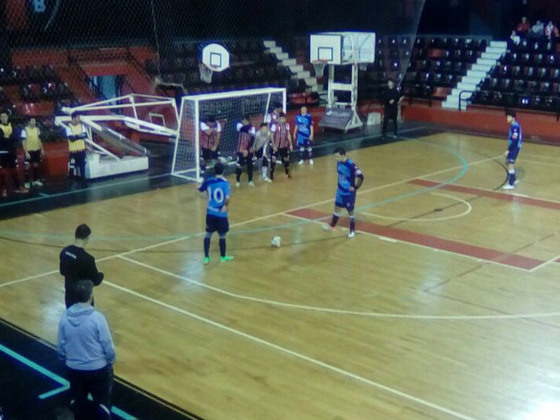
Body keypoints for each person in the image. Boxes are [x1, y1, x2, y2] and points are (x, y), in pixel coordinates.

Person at [57, 279, 115, 420]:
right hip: (97, 369)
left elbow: (60, 347)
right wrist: (110, 361)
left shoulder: (64, 317)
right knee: (102, 405)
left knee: (79, 405)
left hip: (74, 369)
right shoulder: (97, 318)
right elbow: (108, 346)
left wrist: (65, 360)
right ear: (90, 296)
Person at [60, 224, 104, 309]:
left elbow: (62, 271)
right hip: (83, 297)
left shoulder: (65, 251)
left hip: (69, 294)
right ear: (86, 238)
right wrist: (101, 275)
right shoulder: (88, 259)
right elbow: (95, 280)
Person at [323, 147, 364, 238]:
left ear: (343, 155)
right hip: (340, 191)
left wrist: (355, 187)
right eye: (335, 157)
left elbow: (361, 176)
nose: (336, 159)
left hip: (348, 193)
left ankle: (352, 230)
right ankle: (332, 225)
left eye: (337, 156)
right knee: (337, 208)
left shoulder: (351, 164)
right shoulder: (339, 162)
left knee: (350, 211)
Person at [198, 161, 233, 264]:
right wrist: (225, 207)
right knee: (222, 235)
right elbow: (227, 198)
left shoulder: (209, 181)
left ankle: (206, 257)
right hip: (221, 214)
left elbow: (200, 189)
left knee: (208, 234)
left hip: (210, 213)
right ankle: (222, 257)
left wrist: (199, 186)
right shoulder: (225, 183)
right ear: (223, 171)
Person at [0, 111, 27, 197]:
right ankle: (3, 189)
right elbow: (1, 139)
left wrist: (6, 137)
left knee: (14, 170)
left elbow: (15, 137)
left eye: (5, 116)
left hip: (12, 151)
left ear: (7, 117)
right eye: (2, 116)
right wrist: (8, 138)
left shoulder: (12, 126)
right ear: (0, 118)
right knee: (2, 171)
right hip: (2, 152)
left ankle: (18, 187)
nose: (4, 118)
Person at [21, 117, 45, 188]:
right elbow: (23, 142)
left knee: (36, 165)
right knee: (27, 166)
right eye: (32, 121)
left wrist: (42, 149)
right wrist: (26, 152)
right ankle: (27, 182)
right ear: (29, 122)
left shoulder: (37, 129)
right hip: (29, 151)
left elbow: (39, 139)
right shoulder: (24, 130)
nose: (34, 122)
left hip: (36, 150)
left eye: (35, 121)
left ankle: (35, 180)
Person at [270, 112, 293, 181]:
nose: (284, 119)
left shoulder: (287, 125)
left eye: (284, 118)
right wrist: (273, 145)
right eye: (282, 118)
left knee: (286, 159)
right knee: (273, 160)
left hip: (284, 146)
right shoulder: (274, 125)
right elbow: (271, 136)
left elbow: (288, 134)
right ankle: (271, 174)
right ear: (279, 118)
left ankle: (287, 173)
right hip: (276, 146)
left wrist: (291, 144)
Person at [503, 111, 522, 190]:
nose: (507, 118)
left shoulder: (515, 127)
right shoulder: (513, 126)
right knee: (507, 162)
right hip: (513, 147)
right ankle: (514, 178)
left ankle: (511, 184)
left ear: (513, 118)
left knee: (510, 165)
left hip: (514, 148)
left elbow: (515, 140)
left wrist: (509, 150)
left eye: (508, 117)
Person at [65, 112, 88, 180]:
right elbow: (71, 139)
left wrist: (76, 136)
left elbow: (85, 135)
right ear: (74, 118)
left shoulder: (81, 126)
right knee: (72, 166)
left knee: (82, 165)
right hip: (73, 151)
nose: (79, 119)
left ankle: (83, 179)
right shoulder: (68, 127)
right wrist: (79, 136)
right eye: (78, 117)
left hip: (81, 149)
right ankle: (71, 179)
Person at [235, 114, 255, 188]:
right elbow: (244, 129)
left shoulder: (252, 127)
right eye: (247, 120)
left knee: (250, 165)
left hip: (248, 149)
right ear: (243, 120)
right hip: (240, 149)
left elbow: (252, 139)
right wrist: (249, 125)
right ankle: (237, 181)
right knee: (239, 165)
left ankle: (250, 181)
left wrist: (247, 150)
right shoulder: (239, 125)